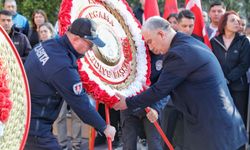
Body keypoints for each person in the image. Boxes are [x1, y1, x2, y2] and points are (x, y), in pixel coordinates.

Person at [113, 16, 247, 150]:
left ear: (161, 34)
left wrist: (128, 102)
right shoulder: (187, 43)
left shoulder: (178, 53)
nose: (150, 47)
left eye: (150, 42)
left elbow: (160, 90)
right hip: (221, 126)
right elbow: (168, 86)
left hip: (214, 131)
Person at [24, 18, 116, 150]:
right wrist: (104, 127)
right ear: (76, 39)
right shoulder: (62, 66)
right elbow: (81, 104)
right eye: (90, 45)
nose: (90, 50)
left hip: (27, 118)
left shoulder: (49, 45)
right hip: (35, 128)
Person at [210, 10, 250, 127]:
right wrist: (220, 79)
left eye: (238, 21)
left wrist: (228, 79)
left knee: (238, 120)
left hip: (239, 88)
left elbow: (244, 64)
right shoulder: (214, 41)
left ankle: (240, 146)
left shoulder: (243, 41)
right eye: (233, 20)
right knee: (221, 118)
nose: (237, 23)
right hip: (219, 87)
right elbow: (212, 63)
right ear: (224, 23)